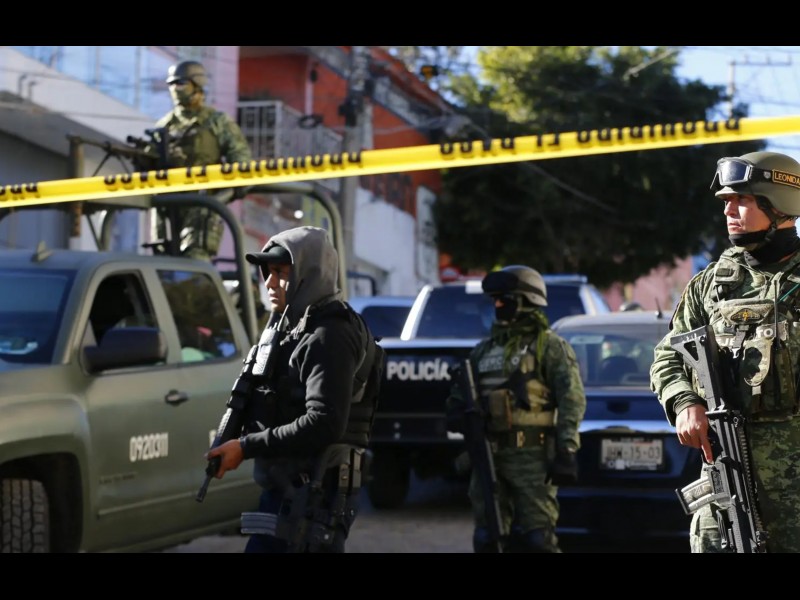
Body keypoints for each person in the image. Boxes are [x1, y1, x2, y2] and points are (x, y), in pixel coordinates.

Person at [650, 150, 800, 553]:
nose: (728, 211)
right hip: (726, 480)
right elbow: (669, 355)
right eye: (726, 201)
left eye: (742, 200)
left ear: (778, 204)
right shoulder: (712, 284)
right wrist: (685, 402)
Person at [203, 226, 384, 553]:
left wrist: (245, 446)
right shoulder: (291, 327)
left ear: (309, 274)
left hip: (315, 495)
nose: (270, 283)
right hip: (289, 490)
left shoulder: (329, 335)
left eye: (281, 273)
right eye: (268, 272)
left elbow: (324, 422)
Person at [447, 265, 587, 553]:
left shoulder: (549, 346)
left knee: (538, 540)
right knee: (487, 538)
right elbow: (458, 399)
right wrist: (458, 412)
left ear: (526, 301)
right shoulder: (483, 351)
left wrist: (567, 449)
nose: (498, 306)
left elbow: (571, 398)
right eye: (495, 300)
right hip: (488, 456)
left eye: (504, 300)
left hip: (532, 458)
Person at [145, 59, 252, 261]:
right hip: (167, 205)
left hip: (202, 204)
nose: (175, 89)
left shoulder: (216, 121)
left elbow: (240, 156)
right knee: (161, 263)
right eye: (171, 84)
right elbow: (147, 166)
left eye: (180, 83)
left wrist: (230, 189)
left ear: (197, 85)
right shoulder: (164, 126)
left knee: (196, 260)